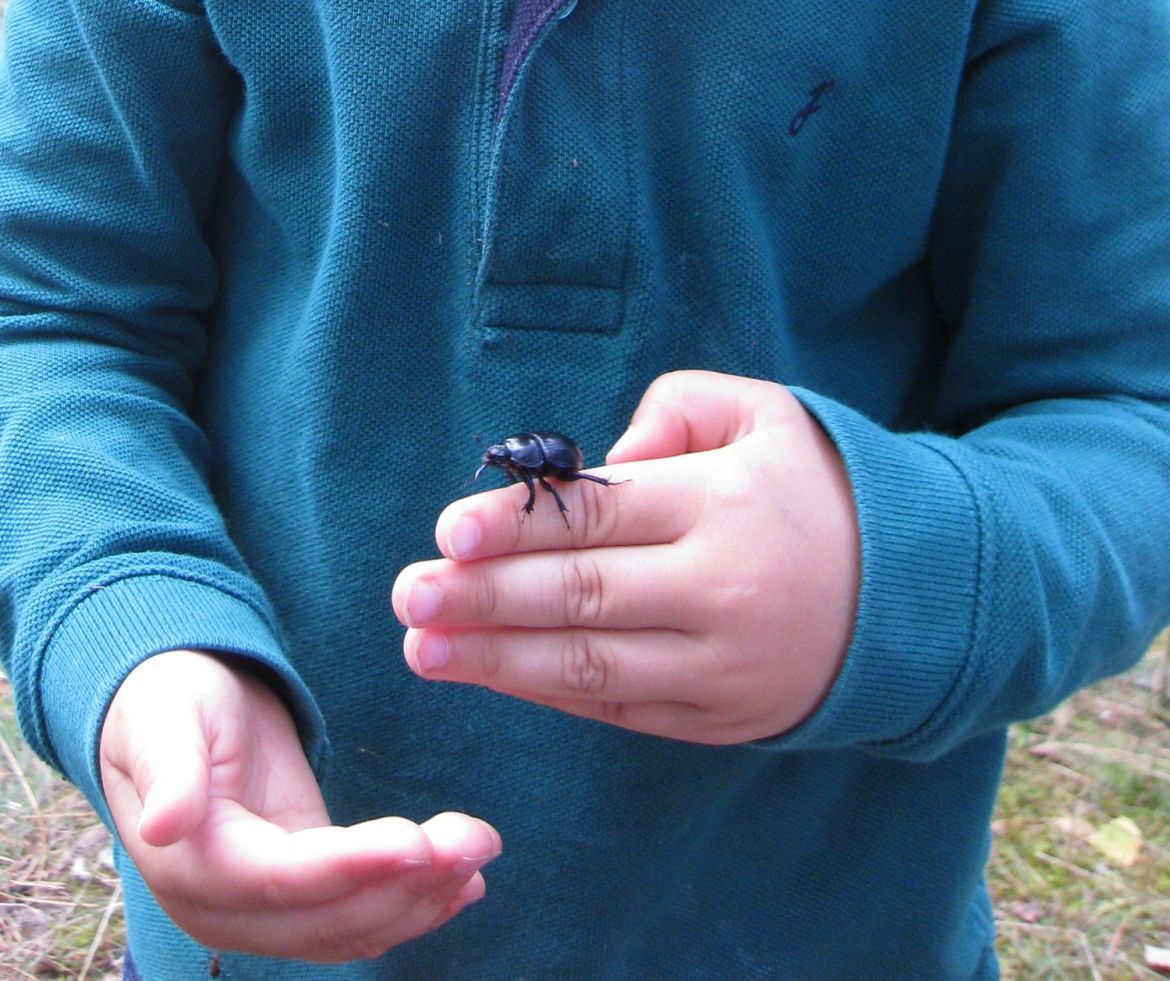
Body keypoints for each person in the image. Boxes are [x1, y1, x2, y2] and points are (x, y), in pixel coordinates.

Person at [2, 0, 1169, 976]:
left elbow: (1128, 405)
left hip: (821, 928)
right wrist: (130, 626)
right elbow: (46, 310)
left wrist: (903, 569)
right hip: (271, 919)